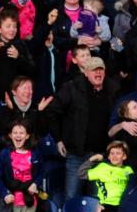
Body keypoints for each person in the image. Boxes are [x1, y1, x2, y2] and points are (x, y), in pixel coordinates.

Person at [46, 56, 121, 200]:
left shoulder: (114, 90)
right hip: (77, 155)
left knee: (97, 199)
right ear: (86, 72)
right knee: (71, 197)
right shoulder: (71, 88)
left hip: (102, 157)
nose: (98, 73)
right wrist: (58, 139)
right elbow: (52, 112)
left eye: (101, 70)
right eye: (94, 70)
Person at [0, 121, 43, 212]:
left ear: (27, 136)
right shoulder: (4, 154)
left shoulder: (35, 153)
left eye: (21, 133)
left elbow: (41, 173)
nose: (18, 135)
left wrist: (35, 184)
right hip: (12, 201)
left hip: (29, 200)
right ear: (10, 135)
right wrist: (5, 194)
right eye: (15, 133)